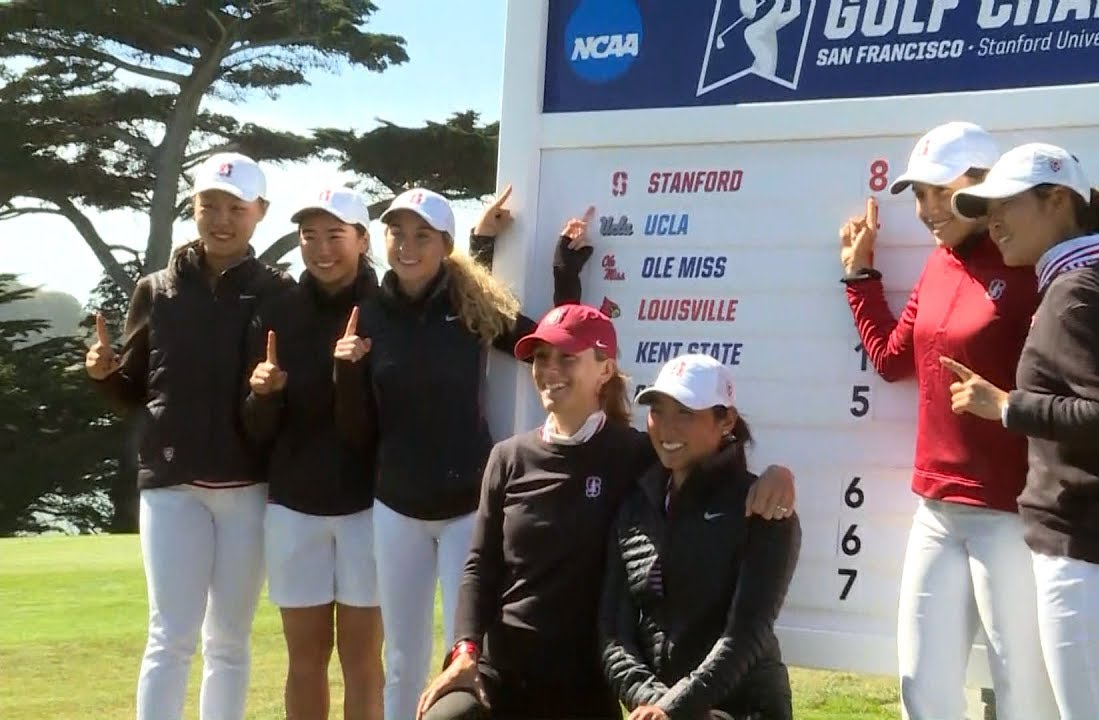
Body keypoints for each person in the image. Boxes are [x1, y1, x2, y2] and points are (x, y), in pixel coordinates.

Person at [838, 122, 1099, 720]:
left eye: (942, 191)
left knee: (1023, 699)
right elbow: (893, 359)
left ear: (987, 187)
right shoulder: (940, 266)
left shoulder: (1042, 266)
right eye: (919, 195)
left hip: (1013, 513)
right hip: (935, 506)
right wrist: (860, 279)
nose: (929, 209)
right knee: (921, 692)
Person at [416, 305, 796, 720]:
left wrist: (778, 475)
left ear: (605, 370)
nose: (550, 369)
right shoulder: (510, 458)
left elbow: (710, 466)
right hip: (505, 670)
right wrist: (465, 649)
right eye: (541, 357)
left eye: (567, 357)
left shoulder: (637, 456)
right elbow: (480, 565)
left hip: (588, 683)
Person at [332, 185, 595, 720]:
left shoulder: (470, 307)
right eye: (397, 234)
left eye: (422, 236)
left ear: (445, 244)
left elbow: (548, 344)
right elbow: (357, 428)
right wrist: (346, 371)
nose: (407, 246)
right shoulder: (369, 314)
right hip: (396, 506)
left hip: (467, 511)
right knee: (402, 659)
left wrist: (565, 269)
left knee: (470, 656)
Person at [945, 142, 1099, 720]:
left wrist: (1008, 406)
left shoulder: (1075, 291)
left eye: (1006, 204)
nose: (992, 222)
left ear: (1056, 200)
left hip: (1096, 561)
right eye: (987, 210)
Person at [84, 152, 293, 720]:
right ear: (193, 208)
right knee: (169, 635)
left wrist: (270, 391)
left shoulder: (279, 291)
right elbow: (134, 389)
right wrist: (104, 375)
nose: (221, 220)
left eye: (236, 208)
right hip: (171, 484)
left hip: (247, 485)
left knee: (228, 640)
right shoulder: (156, 290)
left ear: (260, 211)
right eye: (209, 206)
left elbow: (288, 398)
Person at [241, 186, 384, 720]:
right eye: (310, 236)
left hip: (369, 507)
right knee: (304, 661)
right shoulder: (278, 309)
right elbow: (256, 430)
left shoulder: (386, 308)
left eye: (335, 235)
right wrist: (263, 395)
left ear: (362, 240)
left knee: (363, 661)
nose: (322, 249)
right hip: (294, 507)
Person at [600, 353, 802, 720]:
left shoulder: (763, 510)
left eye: (685, 413)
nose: (667, 427)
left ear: (727, 421)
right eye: (657, 411)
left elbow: (746, 636)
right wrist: (654, 703)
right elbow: (614, 634)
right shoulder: (635, 505)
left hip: (745, 708)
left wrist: (672, 709)